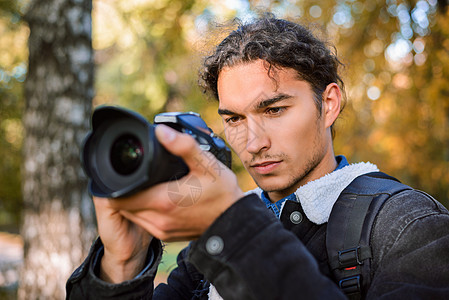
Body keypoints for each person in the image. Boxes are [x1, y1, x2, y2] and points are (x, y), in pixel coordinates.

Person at [66, 15, 449, 299]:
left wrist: (234, 230)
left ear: (329, 104)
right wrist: (122, 264)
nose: (252, 142)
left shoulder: (409, 226)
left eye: (274, 110)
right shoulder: (209, 246)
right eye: (233, 118)